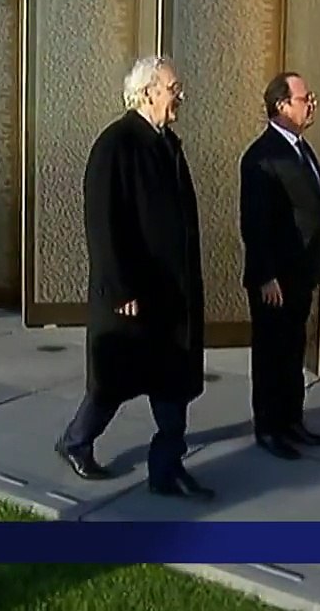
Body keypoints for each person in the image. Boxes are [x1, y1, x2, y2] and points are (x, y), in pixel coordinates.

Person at [55, 56, 213, 501]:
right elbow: (103, 225)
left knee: (171, 381)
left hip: (171, 293)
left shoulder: (167, 143)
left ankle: (167, 468)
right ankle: (75, 441)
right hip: (134, 294)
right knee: (115, 383)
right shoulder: (116, 145)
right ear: (148, 92)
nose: (180, 96)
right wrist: (120, 288)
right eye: (173, 87)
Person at [239, 72, 320, 460]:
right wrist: (265, 275)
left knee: (293, 350)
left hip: (302, 274)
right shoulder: (262, 157)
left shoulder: (302, 149)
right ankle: (269, 427)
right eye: (304, 98)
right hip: (274, 279)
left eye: (311, 97)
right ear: (282, 105)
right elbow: (255, 222)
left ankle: (292, 420)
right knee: (271, 355)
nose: (311, 104)